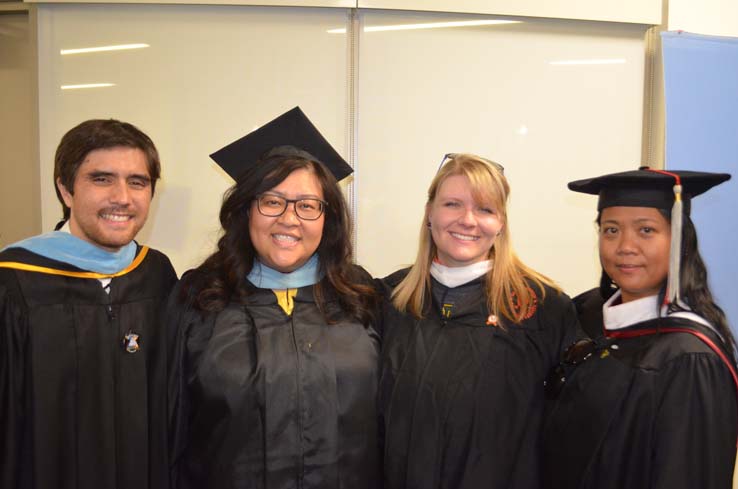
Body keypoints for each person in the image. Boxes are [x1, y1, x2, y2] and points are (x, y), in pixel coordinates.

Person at [167, 107, 381, 489]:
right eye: (271, 200)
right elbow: (171, 431)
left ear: (326, 218)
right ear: (246, 209)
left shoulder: (362, 299)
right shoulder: (197, 300)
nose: (289, 218)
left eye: (307, 205)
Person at [379, 153, 578, 489]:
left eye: (485, 209)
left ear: (501, 222)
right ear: (429, 213)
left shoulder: (541, 307)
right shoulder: (389, 299)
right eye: (452, 204)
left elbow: (569, 425)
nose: (468, 220)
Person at [0, 119, 177, 489]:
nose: (123, 197)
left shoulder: (157, 274)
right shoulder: (15, 280)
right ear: (66, 190)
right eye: (101, 179)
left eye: (137, 182)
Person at [542, 167, 738, 489]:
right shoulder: (585, 314)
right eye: (611, 230)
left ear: (679, 240)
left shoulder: (688, 358)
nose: (625, 246)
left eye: (646, 230)